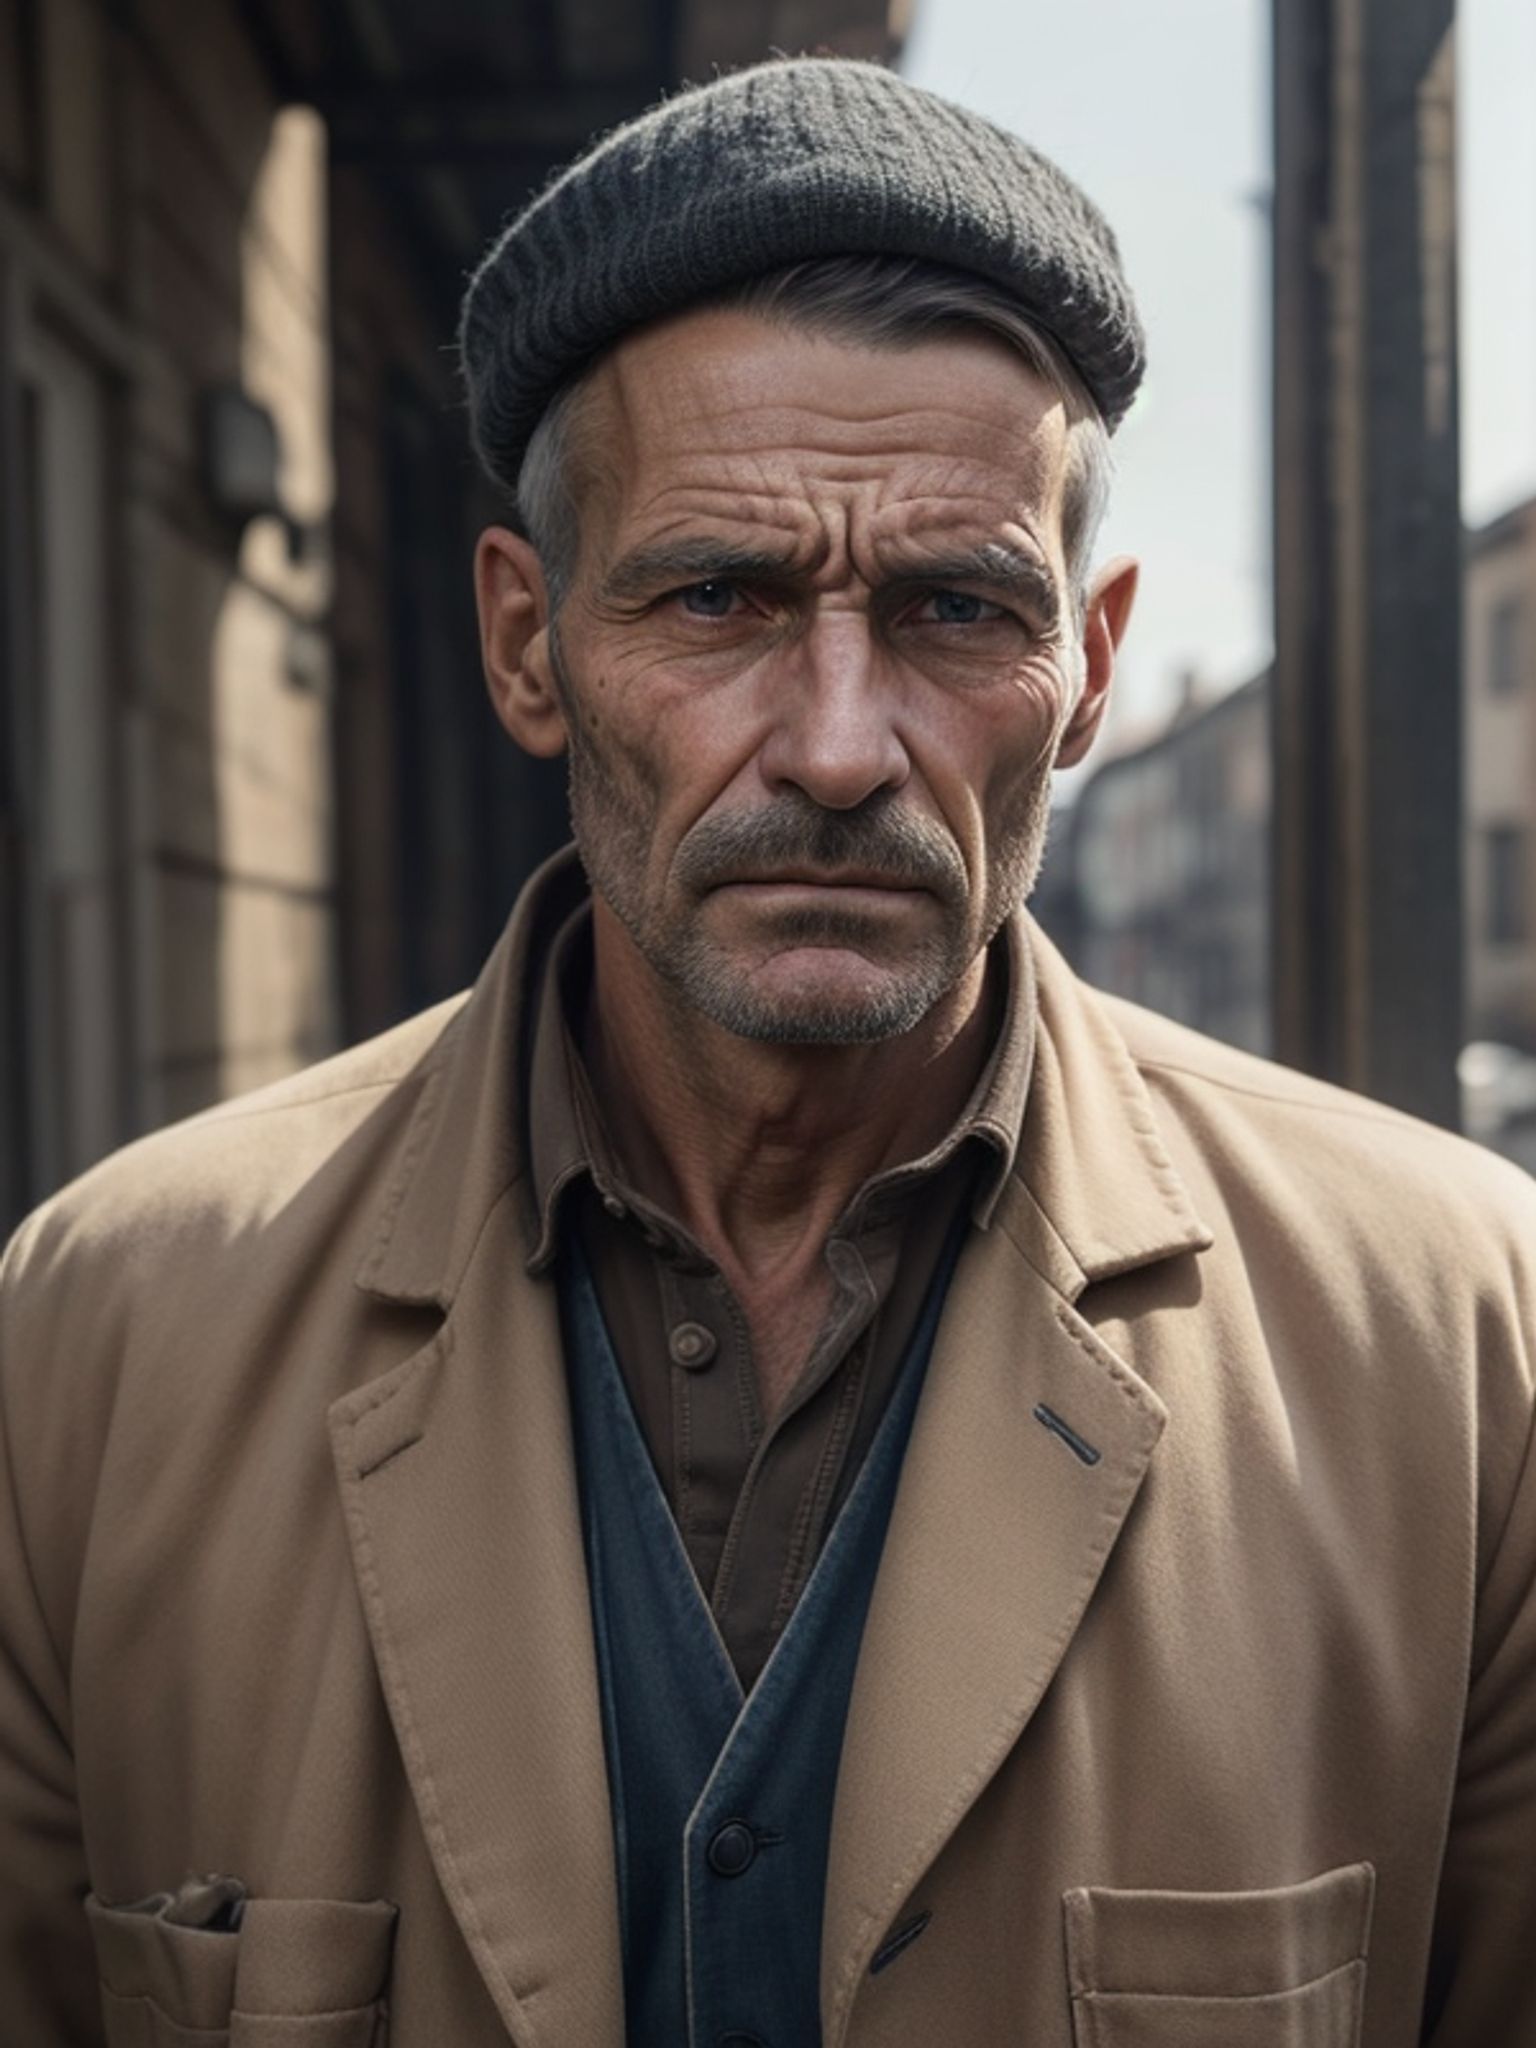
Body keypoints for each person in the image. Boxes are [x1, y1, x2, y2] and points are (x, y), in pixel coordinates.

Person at [1, 53, 1532, 2048]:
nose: (834, 743)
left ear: (1087, 672)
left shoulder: (1459, 1351)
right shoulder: (103, 1343)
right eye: (716, 598)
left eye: (956, 607)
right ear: (527, 644)